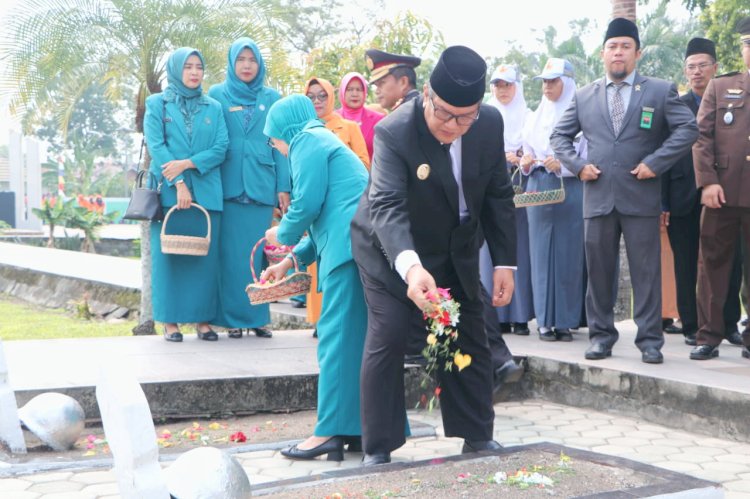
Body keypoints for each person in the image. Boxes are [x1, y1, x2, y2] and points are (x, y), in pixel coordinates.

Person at [351, 45, 517, 465]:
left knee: (469, 332)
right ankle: (379, 446)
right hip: (392, 252)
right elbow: (387, 205)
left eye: (465, 117)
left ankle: (477, 435)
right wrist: (410, 268)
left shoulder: (487, 124)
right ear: (426, 93)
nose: (453, 125)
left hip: (454, 246)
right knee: (387, 335)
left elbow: (499, 193)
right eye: (443, 113)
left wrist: (504, 263)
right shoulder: (395, 131)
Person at [550, 18, 697, 364]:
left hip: (641, 197)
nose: (618, 52)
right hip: (598, 196)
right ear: (603, 54)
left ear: (637, 53)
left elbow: (687, 129)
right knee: (599, 272)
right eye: (612, 47)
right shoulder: (584, 95)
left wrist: (656, 163)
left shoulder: (659, 90)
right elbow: (559, 137)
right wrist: (578, 165)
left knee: (646, 272)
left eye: (625, 47)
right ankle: (601, 337)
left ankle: (649, 341)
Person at [261, 95, 369, 460]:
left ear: (285, 128)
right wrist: (288, 262)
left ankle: (328, 433)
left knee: (335, 341)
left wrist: (281, 234)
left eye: (273, 137)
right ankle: (360, 428)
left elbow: (306, 205)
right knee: (357, 343)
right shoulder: (325, 140)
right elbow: (326, 212)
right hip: (358, 247)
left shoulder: (306, 140)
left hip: (347, 251)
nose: (275, 146)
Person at [660, 37, 744, 348]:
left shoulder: (732, 99)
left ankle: (728, 323)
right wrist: (663, 201)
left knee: (729, 260)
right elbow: (664, 155)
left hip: (724, 192)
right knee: (685, 262)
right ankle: (692, 325)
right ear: (685, 72)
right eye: (691, 67)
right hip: (684, 195)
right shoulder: (676, 106)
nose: (697, 72)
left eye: (703, 66)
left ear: (716, 68)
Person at [144, 47, 228, 342]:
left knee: (205, 259)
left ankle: (203, 321)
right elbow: (157, 146)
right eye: (188, 67)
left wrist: (189, 163)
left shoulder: (214, 107)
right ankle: (170, 322)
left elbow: (220, 148)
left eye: (199, 67)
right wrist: (179, 181)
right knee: (169, 258)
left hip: (207, 192)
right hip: (169, 192)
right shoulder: (157, 104)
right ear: (176, 70)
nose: (194, 72)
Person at [208, 38, 290, 340]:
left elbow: (279, 143)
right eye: (241, 59)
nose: (246, 65)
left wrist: (283, 186)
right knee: (230, 258)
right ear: (232, 63)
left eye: (252, 60)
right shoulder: (216, 94)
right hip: (227, 186)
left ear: (259, 64)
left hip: (261, 185)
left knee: (258, 256)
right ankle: (232, 320)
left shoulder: (272, 97)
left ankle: (258, 317)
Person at [690, 18, 750, 361]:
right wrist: (708, 181)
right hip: (721, 191)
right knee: (712, 265)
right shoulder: (720, 86)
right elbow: (702, 137)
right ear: (743, 50)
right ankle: (708, 336)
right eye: (749, 45)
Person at [520, 58, 585, 343]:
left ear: (567, 83)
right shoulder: (534, 116)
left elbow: (586, 154)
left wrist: (564, 165)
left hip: (569, 186)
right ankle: (545, 321)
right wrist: (526, 162)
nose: (547, 87)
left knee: (569, 254)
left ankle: (565, 322)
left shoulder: (581, 115)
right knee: (540, 251)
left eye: (553, 81)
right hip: (539, 184)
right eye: (545, 81)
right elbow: (527, 152)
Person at [480, 64, 534, 337]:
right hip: (487, 193)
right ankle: (496, 316)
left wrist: (524, 156)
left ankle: (521, 315)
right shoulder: (483, 116)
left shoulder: (529, 117)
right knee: (488, 253)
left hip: (519, 191)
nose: (502, 90)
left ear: (517, 87)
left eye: (507, 85)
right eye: (498, 85)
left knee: (517, 251)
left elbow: (537, 149)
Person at [304, 77, 369, 167]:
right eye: (310, 97)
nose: (317, 101)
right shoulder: (302, 131)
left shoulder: (350, 127)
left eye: (322, 96)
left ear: (330, 97)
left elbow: (364, 165)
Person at [337, 72, 386, 161]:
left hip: (371, 173)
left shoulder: (378, 119)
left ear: (365, 92)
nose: (355, 94)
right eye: (350, 89)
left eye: (359, 89)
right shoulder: (333, 119)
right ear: (342, 92)